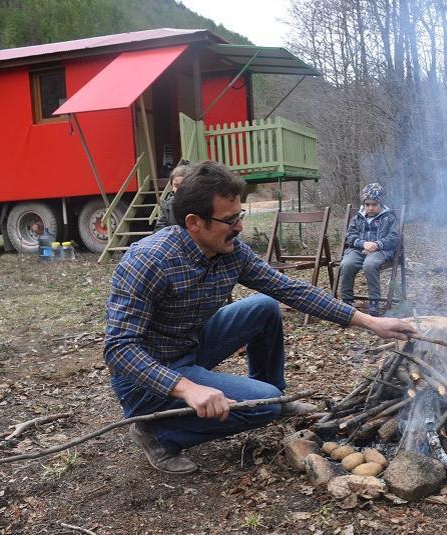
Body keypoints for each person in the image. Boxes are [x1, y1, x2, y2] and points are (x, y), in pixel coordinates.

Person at [104, 161, 417, 475]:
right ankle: (158, 433)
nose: (239, 227)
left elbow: (290, 289)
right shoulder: (148, 260)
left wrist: (369, 321)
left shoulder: (231, 252)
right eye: (229, 220)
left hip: (189, 345)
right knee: (262, 404)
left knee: (264, 306)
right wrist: (186, 388)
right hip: (145, 378)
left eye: (240, 216)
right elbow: (119, 350)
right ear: (194, 223)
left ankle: (271, 399)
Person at [339, 183, 400, 317]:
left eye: (374, 204)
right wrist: (363, 243)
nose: (370, 208)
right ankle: (346, 301)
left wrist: (377, 244)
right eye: (367, 204)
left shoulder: (388, 217)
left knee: (370, 264)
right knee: (347, 264)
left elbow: (394, 237)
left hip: (380, 251)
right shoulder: (358, 218)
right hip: (359, 249)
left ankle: (374, 302)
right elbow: (349, 236)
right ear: (364, 204)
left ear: (381, 204)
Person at [153, 164, 190, 231]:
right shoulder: (167, 205)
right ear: (171, 186)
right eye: (176, 185)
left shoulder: (198, 203)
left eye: (183, 186)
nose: (179, 189)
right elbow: (159, 227)